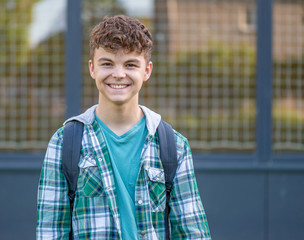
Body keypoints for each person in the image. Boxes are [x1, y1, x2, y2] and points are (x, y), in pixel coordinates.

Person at [36, 15, 211, 239]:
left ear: (146, 71)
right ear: (92, 68)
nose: (118, 74)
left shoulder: (173, 146)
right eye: (107, 63)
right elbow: (50, 232)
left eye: (130, 64)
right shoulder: (64, 143)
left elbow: (193, 233)